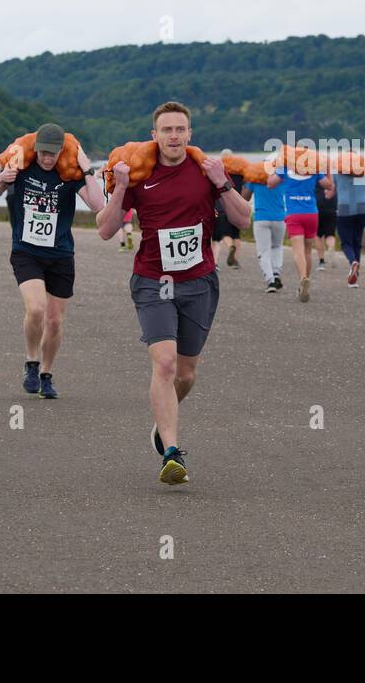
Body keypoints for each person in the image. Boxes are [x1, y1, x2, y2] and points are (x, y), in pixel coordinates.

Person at [95, 101, 251, 485]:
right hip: (153, 280)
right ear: (154, 135)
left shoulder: (206, 172)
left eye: (181, 129)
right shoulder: (140, 172)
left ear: (190, 134)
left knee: (185, 372)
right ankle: (171, 451)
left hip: (199, 282)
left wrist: (223, 182)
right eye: (167, 130)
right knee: (163, 363)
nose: (174, 136)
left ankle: (162, 422)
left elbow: (243, 218)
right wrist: (120, 189)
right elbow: (104, 229)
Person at [0, 124, 107, 400]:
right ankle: (31, 362)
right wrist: (3, 177)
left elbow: (98, 205)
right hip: (26, 251)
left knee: (54, 321)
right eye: (43, 152)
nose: (47, 159)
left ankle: (46, 374)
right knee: (37, 309)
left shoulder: (69, 174)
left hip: (61, 254)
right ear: (36, 148)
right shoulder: (22, 168)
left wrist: (87, 170)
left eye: (52, 154)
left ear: (61, 152)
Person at [266, 157, 332, 302]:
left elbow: (270, 184)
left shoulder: (284, 168)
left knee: (298, 251)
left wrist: (275, 167)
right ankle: (305, 280)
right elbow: (329, 185)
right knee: (308, 251)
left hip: (294, 214)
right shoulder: (314, 169)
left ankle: (302, 278)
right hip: (311, 214)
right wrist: (327, 169)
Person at [333, 167, 365, 288]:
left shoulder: (337, 170)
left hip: (344, 209)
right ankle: (355, 277)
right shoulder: (364, 169)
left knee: (346, 243)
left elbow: (330, 192)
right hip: (362, 208)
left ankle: (353, 262)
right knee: (357, 241)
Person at [242, 169, 287, 292]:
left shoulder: (255, 179)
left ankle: (270, 281)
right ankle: (276, 272)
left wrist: (247, 182)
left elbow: (245, 197)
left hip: (261, 218)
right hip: (279, 217)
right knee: (277, 247)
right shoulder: (281, 178)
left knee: (264, 251)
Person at [211, 149, 244, 269]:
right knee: (236, 235)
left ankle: (220, 256)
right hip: (237, 207)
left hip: (222, 207)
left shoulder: (219, 173)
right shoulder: (241, 172)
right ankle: (235, 261)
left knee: (219, 236)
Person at [315, 177, 338, 270]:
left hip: (318, 208)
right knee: (330, 235)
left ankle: (321, 262)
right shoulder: (334, 178)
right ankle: (331, 247)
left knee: (318, 236)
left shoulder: (316, 178)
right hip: (332, 209)